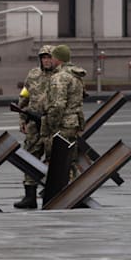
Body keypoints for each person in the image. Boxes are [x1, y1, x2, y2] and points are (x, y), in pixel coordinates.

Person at [13, 44, 56, 209]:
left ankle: (50, 191)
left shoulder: (60, 76)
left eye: (49, 57)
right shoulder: (33, 75)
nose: (46, 60)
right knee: (30, 158)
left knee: (53, 159)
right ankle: (29, 196)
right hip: (33, 125)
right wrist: (22, 120)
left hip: (51, 125)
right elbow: (24, 97)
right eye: (43, 57)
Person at [43, 44, 87, 182]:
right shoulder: (75, 75)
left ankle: (61, 191)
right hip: (73, 123)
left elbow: (58, 105)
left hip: (62, 125)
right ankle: (73, 189)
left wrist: (51, 124)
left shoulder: (59, 77)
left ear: (58, 58)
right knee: (70, 160)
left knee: (57, 161)